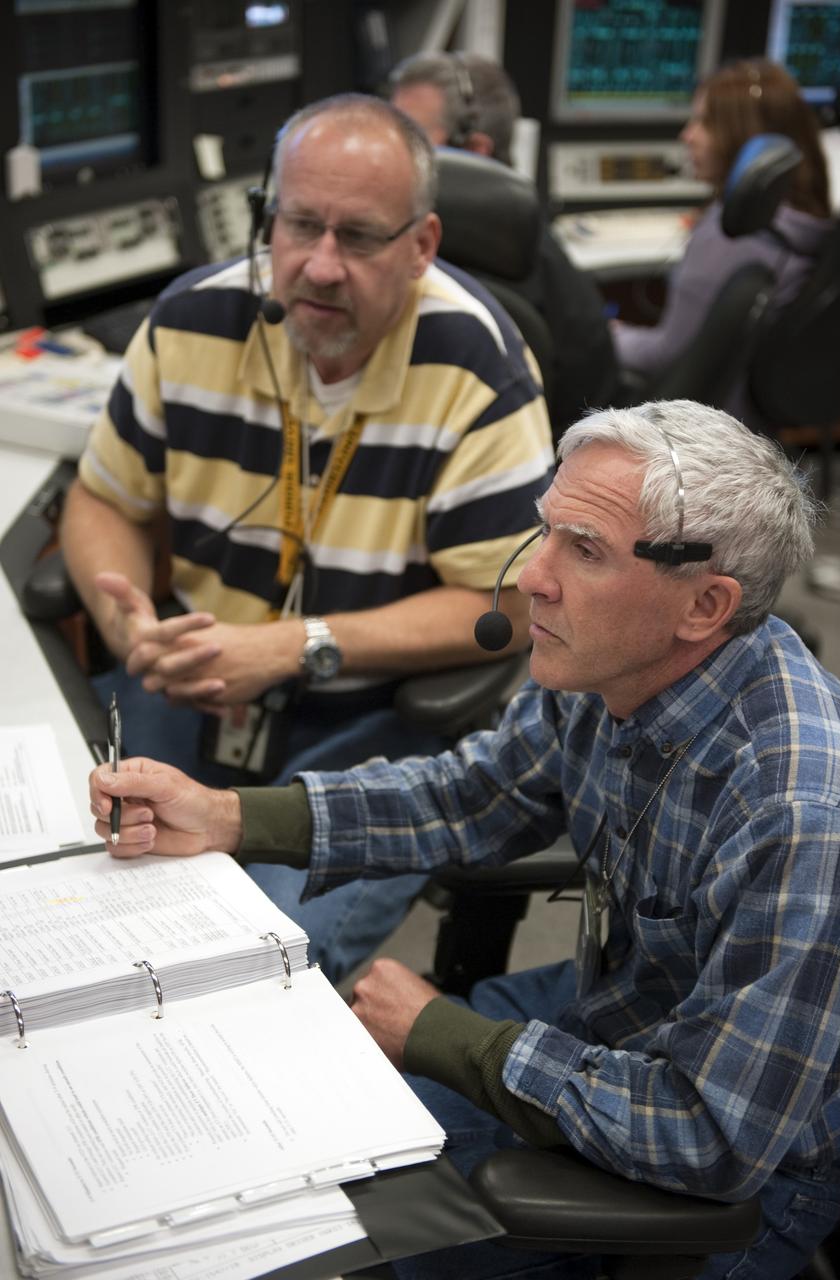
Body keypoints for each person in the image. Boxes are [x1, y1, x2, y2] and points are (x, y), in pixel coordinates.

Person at [90, 398, 840, 1280]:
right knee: (305, 1124)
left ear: (705, 604)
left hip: (742, 1168)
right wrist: (230, 816)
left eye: (586, 550)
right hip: (619, 1011)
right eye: (547, 533)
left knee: (342, 1242)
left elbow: (715, 1137)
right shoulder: (607, 660)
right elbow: (477, 794)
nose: (533, 580)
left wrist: (453, 1041)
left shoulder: (796, 808)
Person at [62, 93, 554, 983]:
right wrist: (125, 620)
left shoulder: (476, 362)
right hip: (194, 683)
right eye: (298, 225)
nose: (319, 266)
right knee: (57, 893)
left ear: (421, 246)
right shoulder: (189, 321)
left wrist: (295, 647)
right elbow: (102, 501)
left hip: (372, 719)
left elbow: (511, 604)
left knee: (254, 965)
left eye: (359, 237)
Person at [389, 50, 619, 439]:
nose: (388, 156)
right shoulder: (529, 251)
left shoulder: (434, 270)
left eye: (409, 141)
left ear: (474, 150)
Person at [613, 59, 834, 425]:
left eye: (703, 122)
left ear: (743, 136)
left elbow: (666, 355)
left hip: (699, 430)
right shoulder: (807, 224)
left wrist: (610, 336)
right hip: (751, 427)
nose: (688, 135)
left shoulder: (733, 234)